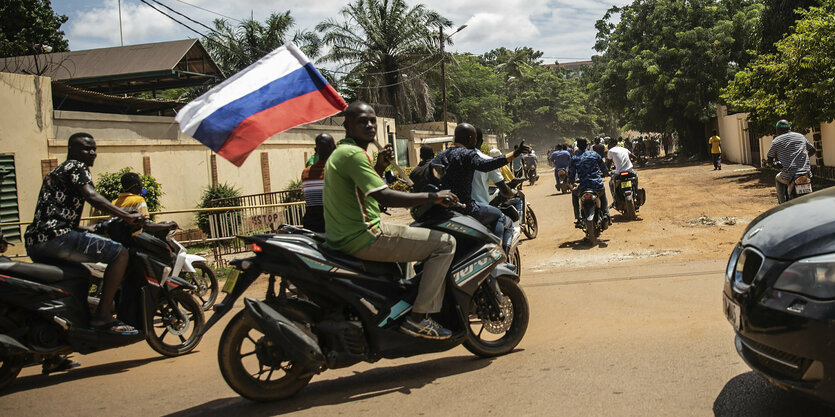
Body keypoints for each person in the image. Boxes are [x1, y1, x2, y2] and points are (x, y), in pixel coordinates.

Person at [323, 101, 460, 340]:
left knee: (409, 236)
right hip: (365, 235)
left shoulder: (344, 152)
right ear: (347, 125)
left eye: (372, 120)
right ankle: (419, 318)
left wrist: (378, 166)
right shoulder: (354, 155)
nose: (369, 125)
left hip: (348, 234)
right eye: (361, 121)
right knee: (445, 243)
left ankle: (402, 305)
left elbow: (359, 191)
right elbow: (384, 195)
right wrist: (434, 196)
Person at [25, 132, 142, 335]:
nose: (92, 153)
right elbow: (92, 196)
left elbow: (53, 212)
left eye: (94, 149)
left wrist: (84, 229)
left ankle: (63, 335)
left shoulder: (57, 172)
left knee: (80, 274)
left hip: (37, 241)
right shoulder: (77, 166)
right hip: (57, 238)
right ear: (72, 150)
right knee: (120, 254)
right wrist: (125, 216)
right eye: (86, 149)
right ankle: (103, 316)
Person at [432, 123, 529, 249]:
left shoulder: (441, 156)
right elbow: (486, 165)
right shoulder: (467, 154)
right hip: (467, 208)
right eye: (474, 138)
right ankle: (498, 253)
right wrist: (514, 154)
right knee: (500, 216)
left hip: (446, 209)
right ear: (470, 139)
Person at [766, 119, 817, 204]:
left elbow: (770, 157)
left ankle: (782, 205)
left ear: (777, 130)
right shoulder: (800, 136)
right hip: (806, 173)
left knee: (777, 178)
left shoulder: (776, 141)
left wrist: (770, 164)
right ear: (790, 128)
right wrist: (804, 157)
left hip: (790, 174)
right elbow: (813, 150)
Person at [569, 138, 610, 228]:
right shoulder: (594, 155)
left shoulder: (575, 158)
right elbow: (603, 167)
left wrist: (571, 182)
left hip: (583, 187)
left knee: (574, 194)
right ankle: (606, 214)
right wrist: (606, 173)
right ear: (587, 145)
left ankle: (578, 217)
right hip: (597, 185)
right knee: (603, 195)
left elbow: (571, 173)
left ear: (578, 146)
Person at [301, 133, 336, 232]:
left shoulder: (305, 172)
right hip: (333, 227)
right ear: (334, 149)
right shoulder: (337, 171)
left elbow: (305, 197)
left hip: (310, 226)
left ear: (316, 151)